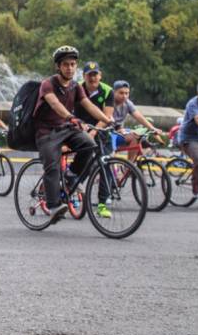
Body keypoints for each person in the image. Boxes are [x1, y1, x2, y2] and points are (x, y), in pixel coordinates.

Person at [34, 46, 114, 222]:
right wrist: (71, 117)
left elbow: (89, 105)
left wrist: (107, 120)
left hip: (65, 128)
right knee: (53, 166)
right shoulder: (48, 84)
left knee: (89, 144)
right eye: (65, 65)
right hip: (46, 132)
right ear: (58, 67)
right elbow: (55, 104)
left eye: (72, 64)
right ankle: (54, 205)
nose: (69, 68)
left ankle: (71, 175)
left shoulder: (75, 87)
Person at [109, 80, 162, 161]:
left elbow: (139, 116)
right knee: (110, 158)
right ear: (114, 92)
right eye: (121, 93)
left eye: (127, 93)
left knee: (137, 135)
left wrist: (152, 128)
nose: (124, 96)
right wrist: (117, 130)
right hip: (107, 133)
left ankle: (130, 165)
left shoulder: (127, 103)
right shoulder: (109, 102)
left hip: (119, 132)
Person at [75, 61, 114, 136]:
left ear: (100, 75)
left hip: (99, 129)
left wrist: (94, 132)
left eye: (95, 74)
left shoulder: (108, 91)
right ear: (83, 76)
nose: (92, 78)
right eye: (89, 75)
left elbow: (107, 116)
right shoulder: (76, 87)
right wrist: (79, 124)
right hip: (78, 128)